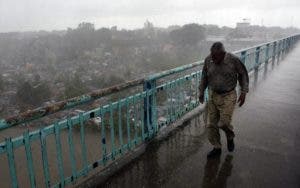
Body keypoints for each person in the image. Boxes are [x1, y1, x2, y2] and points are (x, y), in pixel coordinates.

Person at [199, 42, 249, 158]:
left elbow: (243, 75)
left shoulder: (233, 60)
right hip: (213, 95)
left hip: (228, 95)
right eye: (212, 55)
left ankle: (230, 136)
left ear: (223, 54)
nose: (213, 59)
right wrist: (201, 91)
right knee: (211, 125)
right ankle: (217, 147)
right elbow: (204, 77)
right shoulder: (208, 60)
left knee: (223, 123)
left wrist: (244, 91)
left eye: (215, 56)